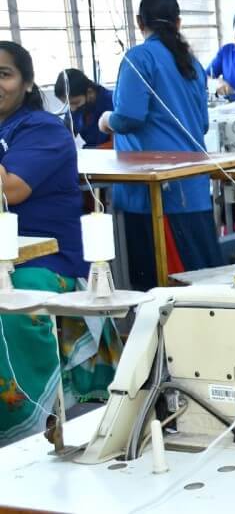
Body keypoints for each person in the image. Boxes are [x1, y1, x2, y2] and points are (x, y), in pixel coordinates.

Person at [0, 42, 119, 443]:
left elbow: (10, 191)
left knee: (10, 305)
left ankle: (21, 428)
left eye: (4, 74)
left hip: (46, 259)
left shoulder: (42, 130)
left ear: (28, 82)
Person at [98, 0, 222, 289]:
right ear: (178, 22)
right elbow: (202, 123)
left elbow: (129, 117)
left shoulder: (139, 58)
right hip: (190, 184)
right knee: (203, 273)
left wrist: (106, 121)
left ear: (140, 22)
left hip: (155, 193)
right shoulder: (191, 63)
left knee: (164, 284)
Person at [54, 68, 113, 148]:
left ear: (90, 92)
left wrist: (93, 151)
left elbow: (120, 143)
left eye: (75, 103)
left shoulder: (111, 102)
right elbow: (64, 136)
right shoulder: (74, 108)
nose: (72, 109)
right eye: (68, 104)